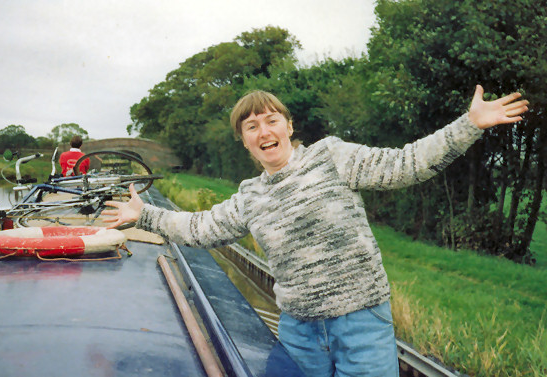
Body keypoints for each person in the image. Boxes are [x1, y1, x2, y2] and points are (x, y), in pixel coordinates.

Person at [103, 85, 528, 377]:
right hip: (299, 330)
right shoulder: (250, 195)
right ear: (245, 142)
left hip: (361, 324)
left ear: (288, 127)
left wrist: (469, 124)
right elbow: (200, 227)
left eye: (271, 121)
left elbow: (408, 163)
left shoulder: (332, 157)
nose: (264, 131)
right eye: (251, 127)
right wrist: (145, 215)